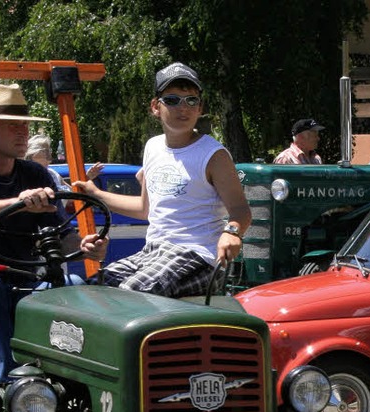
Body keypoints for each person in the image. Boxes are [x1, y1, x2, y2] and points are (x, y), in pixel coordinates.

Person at [0, 84, 106, 382]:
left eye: (24, 126)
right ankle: (16, 385)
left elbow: (60, 233)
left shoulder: (35, 174)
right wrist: (20, 203)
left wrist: (85, 244)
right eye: (12, 126)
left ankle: (77, 383)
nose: (23, 133)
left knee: (74, 284)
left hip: (25, 288)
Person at [73, 61, 251, 297]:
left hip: (199, 256)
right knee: (93, 289)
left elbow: (241, 210)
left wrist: (232, 233)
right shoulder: (152, 147)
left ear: (200, 108)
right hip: (153, 252)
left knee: (132, 294)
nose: (183, 108)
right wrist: (94, 193)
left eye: (191, 100)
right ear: (156, 107)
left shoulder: (213, 155)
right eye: (173, 100)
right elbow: (146, 209)